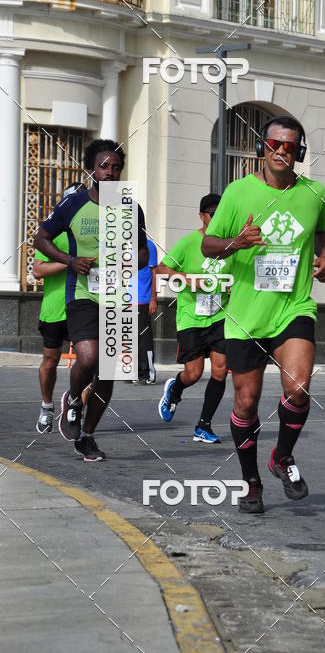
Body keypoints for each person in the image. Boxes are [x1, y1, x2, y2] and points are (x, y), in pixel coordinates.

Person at [201, 116, 325, 514]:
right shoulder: (239, 193)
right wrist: (237, 242)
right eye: (274, 144)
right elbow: (208, 245)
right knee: (246, 402)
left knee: (298, 386)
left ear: (299, 153)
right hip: (245, 314)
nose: (281, 152)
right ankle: (251, 481)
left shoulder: (314, 193)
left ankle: (282, 457)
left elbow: (321, 230)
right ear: (263, 146)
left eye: (290, 147)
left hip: (294, 305)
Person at [34, 140, 149, 461]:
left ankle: (87, 436)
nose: (110, 172)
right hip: (82, 292)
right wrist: (71, 260)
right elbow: (40, 238)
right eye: (104, 166)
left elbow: (143, 252)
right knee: (87, 357)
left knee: (109, 372)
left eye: (115, 167)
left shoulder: (130, 208)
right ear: (92, 170)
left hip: (117, 295)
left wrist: (132, 259)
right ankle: (73, 399)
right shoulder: (74, 204)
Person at [157, 193, 229, 443]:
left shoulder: (230, 246)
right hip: (191, 318)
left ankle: (203, 426)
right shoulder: (189, 243)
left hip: (220, 316)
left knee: (221, 371)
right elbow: (162, 269)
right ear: (201, 216)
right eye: (212, 213)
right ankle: (175, 389)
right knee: (194, 373)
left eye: (221, 213)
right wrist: (186, 278)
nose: (216, 217)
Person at [33, 229, 70, 434]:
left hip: (85, 307)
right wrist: (70, 262)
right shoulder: (53, 235)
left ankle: (74, 406)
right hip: (55, 309)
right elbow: (37, 270)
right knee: (50, 360)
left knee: (93, 362)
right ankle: (47, 406)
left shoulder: (96, 236)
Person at [131, 237, 158, 383]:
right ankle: (135, 371)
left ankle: (148, 372)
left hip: (142, 298)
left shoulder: (148, 245)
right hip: (126, 299)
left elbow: (155, 272)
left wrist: (153, 298)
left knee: (144, 338)